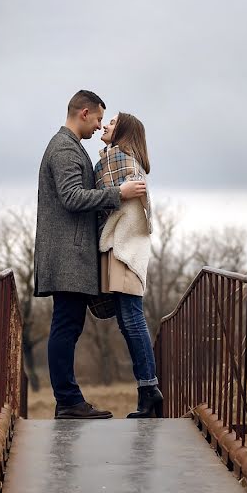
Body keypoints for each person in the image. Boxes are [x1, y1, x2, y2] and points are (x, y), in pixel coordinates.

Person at [34, 90, 147, 419]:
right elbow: (71, 197)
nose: (100, 126)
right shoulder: (65, 148)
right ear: (84, 113)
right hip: (67, 257)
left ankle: (68, 400)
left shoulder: (70, 147)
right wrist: (118, 193)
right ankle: (68, 401)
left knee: (68, 326)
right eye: (98, 118)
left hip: (70, 255)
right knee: (66, 327)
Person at [95, 112, 163, 418]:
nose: (105, 126)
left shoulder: (119, 160)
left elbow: (103, 196)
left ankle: (150, 391)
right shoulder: (118, 159)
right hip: (124, 248)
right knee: (127, 320)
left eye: (111, 123)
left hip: (124, 248)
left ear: (123, 131)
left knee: (132, 320)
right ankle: (147, 394)